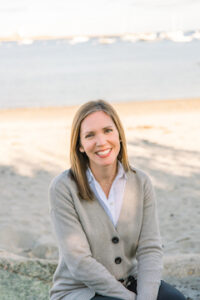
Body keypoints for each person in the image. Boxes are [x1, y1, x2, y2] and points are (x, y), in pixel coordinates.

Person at [49, 100, 186, 300]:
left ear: (119, 135)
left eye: (107, 130)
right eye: (90, 135)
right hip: (81, 291)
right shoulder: (63, 187)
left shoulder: (141, 182)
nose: (101, 141)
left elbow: (150, 249)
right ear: (80, 145)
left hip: (131, 281)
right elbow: (79, 261)